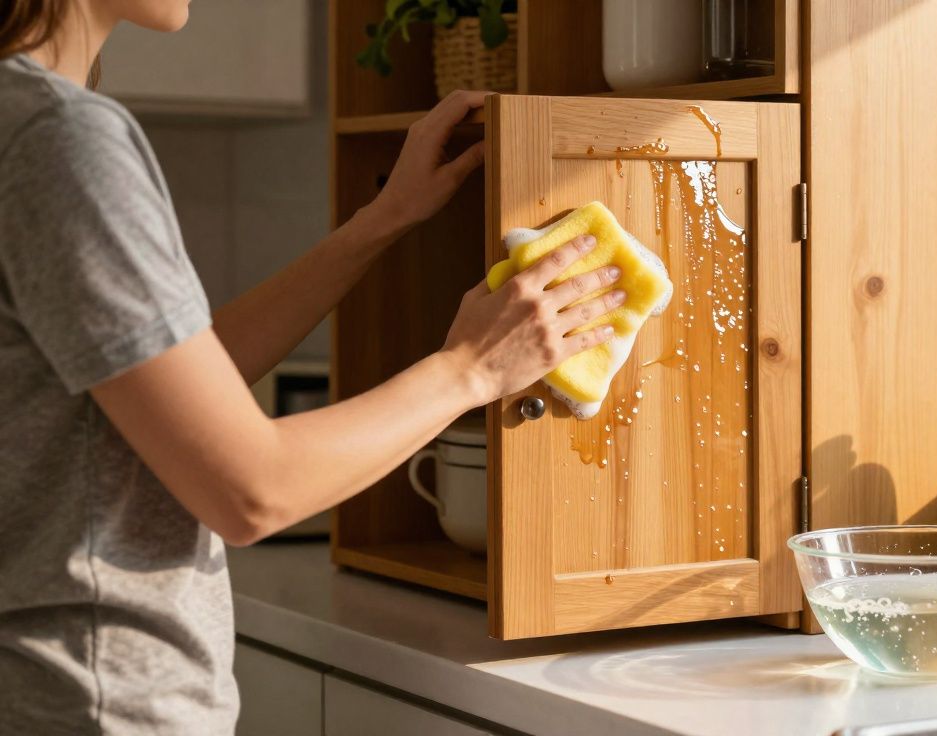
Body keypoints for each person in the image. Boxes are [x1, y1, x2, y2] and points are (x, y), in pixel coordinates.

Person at [0, 1, 627, 732]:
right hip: (90, 705)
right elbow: (251, 491)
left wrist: (382, 219)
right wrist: (474, 369)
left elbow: (181, 381)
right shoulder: (59, 137)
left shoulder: (21, 122)